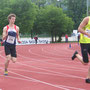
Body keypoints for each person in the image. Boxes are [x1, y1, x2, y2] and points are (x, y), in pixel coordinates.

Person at [71, 16, 90, 83]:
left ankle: (88, 78)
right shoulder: (87, 19)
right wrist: (87, 34)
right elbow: (79, 29)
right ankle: (76, 54)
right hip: (85, 42)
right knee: (85, 62)